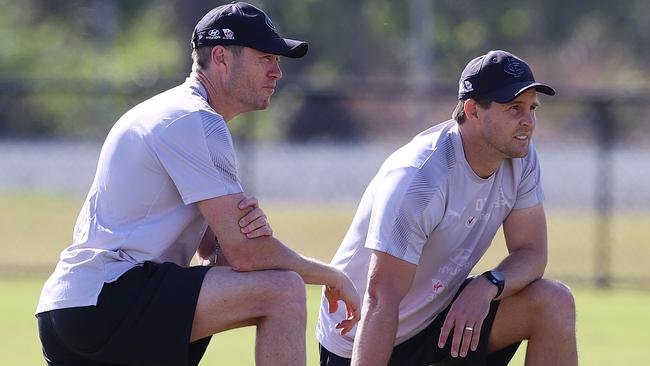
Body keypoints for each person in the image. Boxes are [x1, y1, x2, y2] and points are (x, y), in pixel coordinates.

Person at [35, 3, 360, 366]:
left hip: (73, 308)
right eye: (266, 57)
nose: (277, 72)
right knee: (283, 291)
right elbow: (249, 255)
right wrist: (332, 275)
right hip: (109, 299)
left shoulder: (175, 111)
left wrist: (232, 237)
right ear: (220, 57)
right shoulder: (194, 119)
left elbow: (217, 255)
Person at [317, 50, 578, 366]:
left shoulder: (521, 158)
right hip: (366, 338)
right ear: (473, 110)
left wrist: (488, 285)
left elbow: (532, 254)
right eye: (514, 108)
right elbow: (380, 300)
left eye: (532, 108)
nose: (528, 122)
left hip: (439, 321)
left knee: (553, 302)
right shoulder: (419, 178)